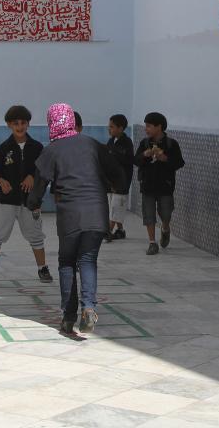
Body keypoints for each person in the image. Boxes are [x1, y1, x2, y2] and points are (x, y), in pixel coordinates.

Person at [27, 103, 124, 335]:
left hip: (70, 215)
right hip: (97, 213)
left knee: (67, 263)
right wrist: (106, 185)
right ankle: (88, 307)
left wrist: (33, 205)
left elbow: (37, 191)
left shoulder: (52, 150)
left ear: (53, 122)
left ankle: (68, 317)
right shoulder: (93, 144)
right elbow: (120, 177)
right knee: (88, 260)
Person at [0, 105, 52, 285]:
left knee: (36, 235)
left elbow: (43, 172)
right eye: (15, 123)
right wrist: (1, 181)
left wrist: (33, 176)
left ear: (28, 124)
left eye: (23, 123)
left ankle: (43, 268)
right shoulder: (0, 151)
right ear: (9, 125)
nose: (20, 126)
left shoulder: (38, 148)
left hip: (30, 201)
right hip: (6, 201)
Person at [133, 112, 185, 255]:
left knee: (166, 213)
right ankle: (152, 243)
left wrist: (165, 158)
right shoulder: (144, 143)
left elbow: (179, 163)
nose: (146, 129)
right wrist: (145, 155)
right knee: (149, 214)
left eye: (149, 126)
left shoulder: (171, 144)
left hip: (165, 186)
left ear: (159, 127)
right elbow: (136, 160)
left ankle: (165, 228)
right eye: (146, 126)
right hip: (147, 185)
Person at [105, 114, 134, 242]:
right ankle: (120, 230)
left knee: (117, 207)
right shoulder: (111, 141)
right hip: (111, 181)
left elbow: (127, 159)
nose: (109, 129)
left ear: (121, 128)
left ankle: (108, 232)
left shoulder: (127, 143)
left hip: (122, 181)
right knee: (112, 205)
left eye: (112, 127)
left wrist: (112, 154)